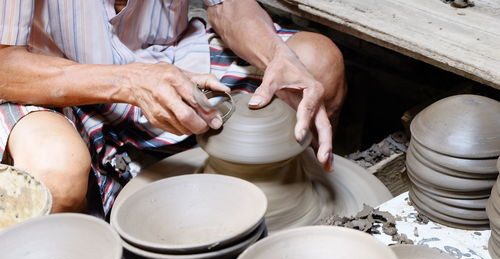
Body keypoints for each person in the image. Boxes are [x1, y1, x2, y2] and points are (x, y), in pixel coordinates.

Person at [0, 0, 346, 215]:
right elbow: (6, 66)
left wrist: (276, 54)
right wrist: (130, 82)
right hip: (55, 78)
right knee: (56, 176)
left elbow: (228, 5)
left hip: (171, 56)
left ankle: (283, 206)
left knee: (318, 63)